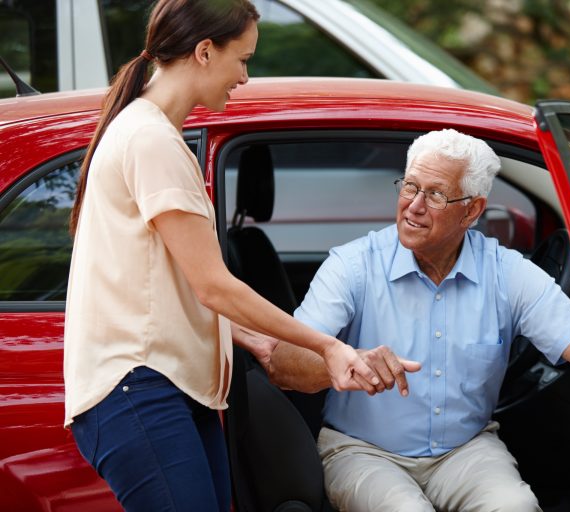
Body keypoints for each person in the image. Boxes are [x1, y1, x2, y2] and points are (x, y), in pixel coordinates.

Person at [63, 2, 380, 511]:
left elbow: (169, 280)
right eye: (243, 60)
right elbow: (213, 285)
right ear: (205, 51)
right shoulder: (150, 141)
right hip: (139, 389)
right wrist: (327, 346)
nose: (245, 78)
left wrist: (249, 336)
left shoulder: (151, 133)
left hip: (164, 388)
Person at [244, 129, 570, 511]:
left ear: (472, 210)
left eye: (435, 194)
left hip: (466, 450)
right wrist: (348, 360)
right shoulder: (353, 265)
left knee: (516, 506)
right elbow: (283, 365)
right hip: (363, 451)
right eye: (409, 187)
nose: (414, 206)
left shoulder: (508, 273)